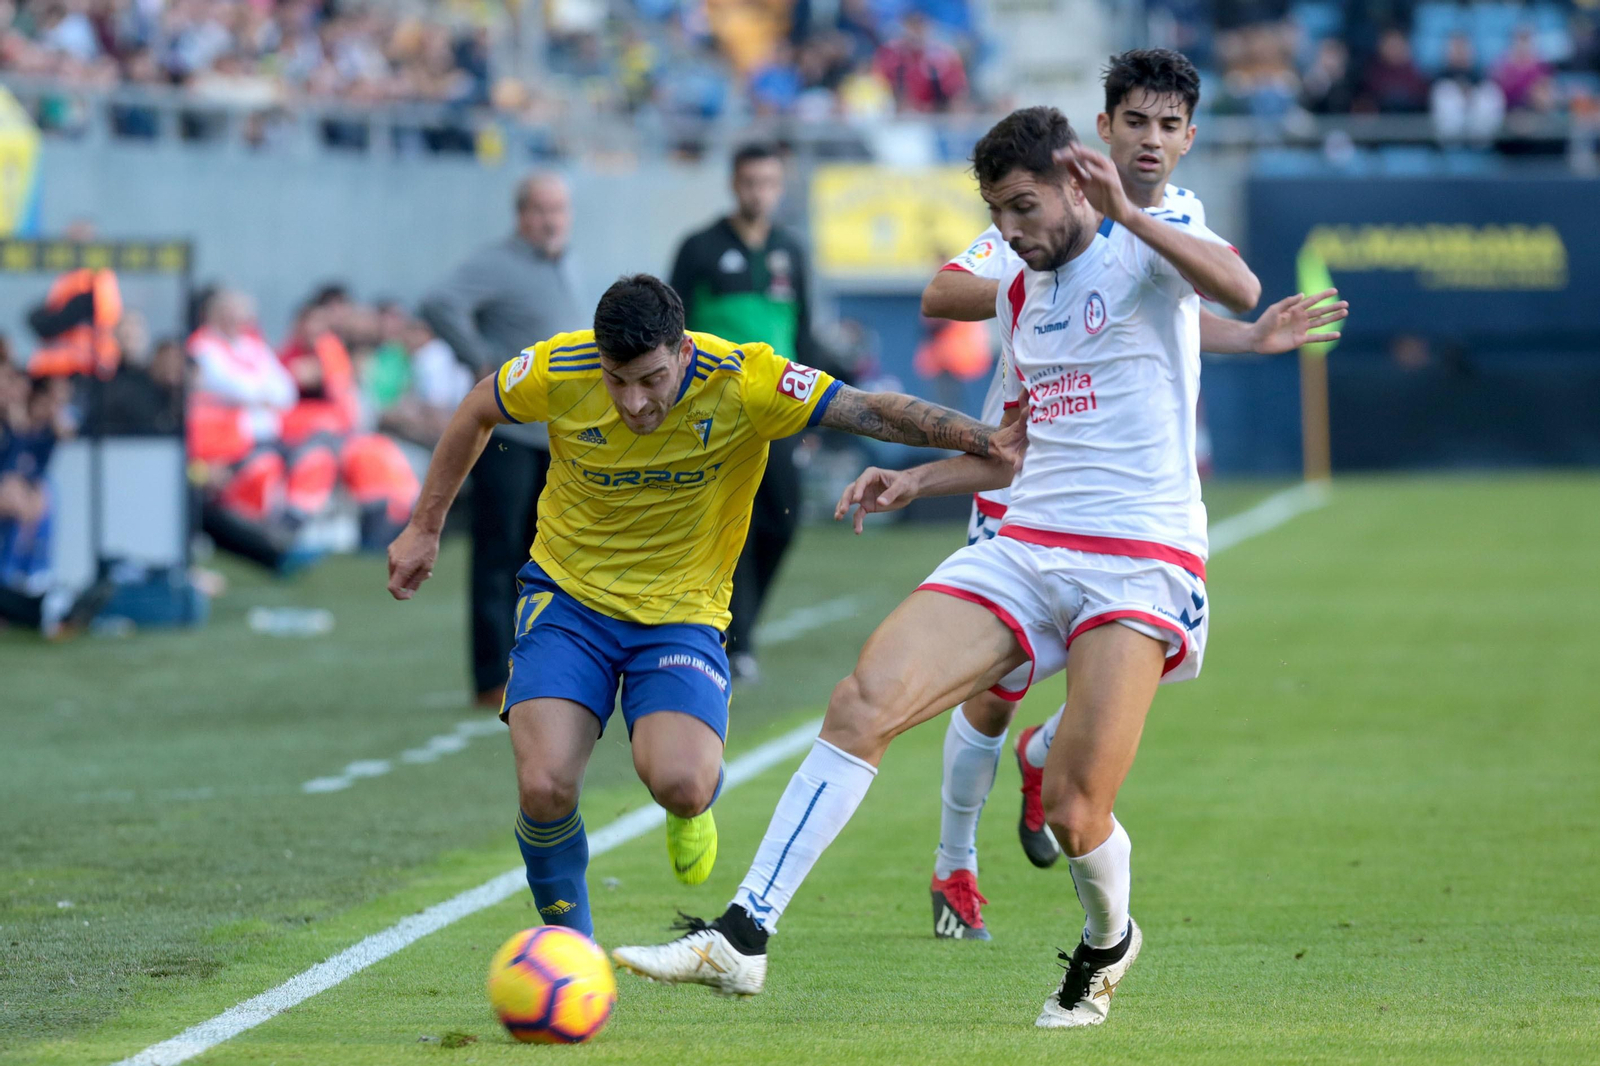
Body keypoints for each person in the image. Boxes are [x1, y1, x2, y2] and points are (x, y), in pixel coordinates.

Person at [611, 104, 1264, 1030]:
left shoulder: (1146, 250)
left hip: (1137, 557)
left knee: (1076, 810)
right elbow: (1014, 452)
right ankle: (742, 935)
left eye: (1024, 207)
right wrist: (913, 481)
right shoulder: (1019, 292)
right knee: (862, 701)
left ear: (1077, 186)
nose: (1009, 231)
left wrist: (1129, 211)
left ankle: (1108, 941)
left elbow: (1240, 288)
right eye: (996, 212)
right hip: (1028, 541)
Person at [385, 274, 1016, 941]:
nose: (633, 402)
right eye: (617, 380)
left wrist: (986, 439)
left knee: (683, 785)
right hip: (568, 600)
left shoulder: (746, 380)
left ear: (683, 352)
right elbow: (477, 408)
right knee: (544, 787)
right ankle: (573, 949)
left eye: (651, 379)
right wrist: (425, 525)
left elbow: (869, 411)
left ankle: (690, 806)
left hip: (682, 614)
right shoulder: (560, 366)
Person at [918, 48, 1348, 941]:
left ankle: (1045, 761)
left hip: (1122, 508)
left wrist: (1246, 336)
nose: (1150, 139)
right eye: (1135, 122)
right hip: (1024, 477)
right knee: (991, 690)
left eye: (1168, 125)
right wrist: (1043, 267)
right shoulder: (1045, 205)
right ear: (1103, 128)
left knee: (1108, 681)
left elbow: (1171, 308)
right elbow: (942, 291)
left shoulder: (1176, 218)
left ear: (1189, 139)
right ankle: (955, 867)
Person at [669, 143, 831, 683]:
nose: (758, 192)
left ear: (780, 187)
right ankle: (734, 639)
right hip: (714, 411)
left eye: (768, 182)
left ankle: (739, 626)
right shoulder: (698, 248)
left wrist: (811, 413)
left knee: (782, 519)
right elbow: (671, 332)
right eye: (749, 182)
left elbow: (802, 331)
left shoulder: (791, 250)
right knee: (726, 523)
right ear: (733, 184)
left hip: (778, 409)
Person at [421, 172, 582, 708]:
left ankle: (536, 665)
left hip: (552, 437)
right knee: (498, 554)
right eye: (542, 209)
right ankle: (491, 675)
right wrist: (480, 360)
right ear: (522, 214)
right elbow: (438, 302)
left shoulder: (560, 265)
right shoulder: (498, 262)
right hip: (508, 434)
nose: (552, 220)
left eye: (559, 209)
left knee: (544, 554)